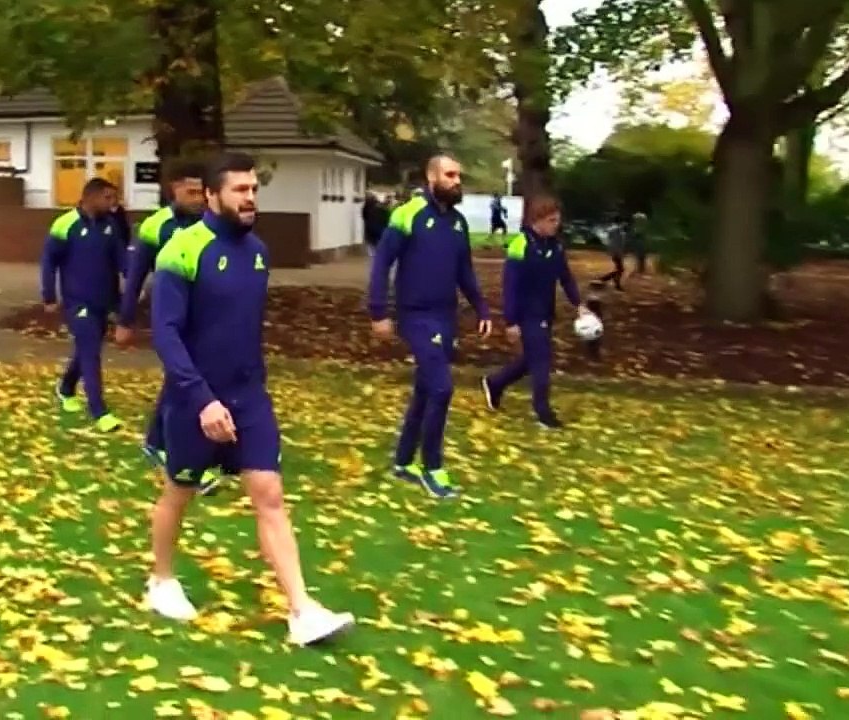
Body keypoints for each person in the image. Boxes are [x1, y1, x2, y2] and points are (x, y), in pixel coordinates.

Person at [143, 152, 354, 645]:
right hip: (195, 400)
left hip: (249, 397)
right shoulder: (181, 249)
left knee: (271, 496)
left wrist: (245, 390)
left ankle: (302, 611)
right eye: (240, 190)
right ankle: (162, 579)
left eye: (254, 189)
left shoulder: (258, 251)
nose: (250, 198)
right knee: (180, 490)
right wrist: (201, 400)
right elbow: (166, 334)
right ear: (212, 196)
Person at [367, 154, 492, 499]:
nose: (456, 181)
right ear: (431, 176)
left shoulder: (459, 223)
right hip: (415, 316)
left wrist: (482, 308)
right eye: (450, 174)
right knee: (441, 388)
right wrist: (378, 311)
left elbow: (465, 271)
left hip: (446, 316)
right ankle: (431, 466)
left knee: (426, 388)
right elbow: (381, 265)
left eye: (459, 175)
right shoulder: (407, 216)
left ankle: (403, 461)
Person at [113, 161, 218, 492]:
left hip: (206, 315)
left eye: (202, 191)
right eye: (191, 191)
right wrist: (125, 320)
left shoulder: (211, 222)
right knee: (185, 380)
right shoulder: (155, 227)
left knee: (183, 380)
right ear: (173, 189)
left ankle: (156, 441)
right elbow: (135, 278)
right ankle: (184, 459)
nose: (198, 198)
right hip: (171, 316)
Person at [480, 194, 594, 429]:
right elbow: (510, 287)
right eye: (551, 220)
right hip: (526, 313)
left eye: (557, 220)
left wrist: (578, 305)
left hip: (545, 311)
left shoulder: (556, 247)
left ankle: (495, 382)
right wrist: (511, 321)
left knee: (532, 359)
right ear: (537, 220)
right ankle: (543, 412)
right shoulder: (520, 245)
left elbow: (566, 278)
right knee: (541, 361)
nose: (556, 225)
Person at [40, 178, 125, 432]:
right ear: (91, 197)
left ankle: (66, 388)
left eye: (115, 198)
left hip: (104, 300)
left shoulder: (110, 226)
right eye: (108, 198)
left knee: (87, 348)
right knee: (90, 350)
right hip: (77, 301)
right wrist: (49, 297)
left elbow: (122, 261)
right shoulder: (65, 224)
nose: (114, 203)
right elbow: (48, 262)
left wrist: (130, 291)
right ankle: (99, 411)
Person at [594, 218, 626, 291]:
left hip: (614, 251)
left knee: (619, 269)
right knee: (620, 269)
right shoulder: (618, 230)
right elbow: (619, 242)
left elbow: (607, 238)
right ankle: (606, 279)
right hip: (616, 252)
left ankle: (615, 283)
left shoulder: (615, 230)